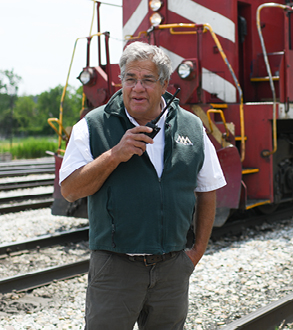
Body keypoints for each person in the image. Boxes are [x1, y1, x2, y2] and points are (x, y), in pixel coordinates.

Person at [59, 41, 226, 330]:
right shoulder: (92, 125)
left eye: (147, 80)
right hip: (115, 268)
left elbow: (208, 189)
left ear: (164, 84)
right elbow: (70, 190)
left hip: (172, 268)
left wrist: (195, 253)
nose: (137, 88)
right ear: (120, 81)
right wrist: (114, 155)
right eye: (130, 79)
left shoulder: (191, 127)